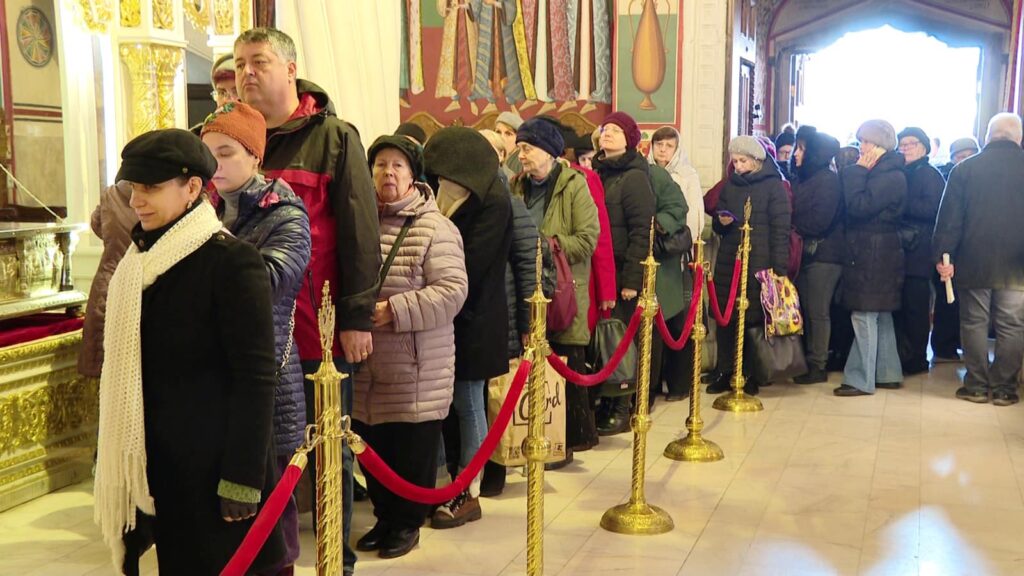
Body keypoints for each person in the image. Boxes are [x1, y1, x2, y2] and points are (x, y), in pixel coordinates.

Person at [95, 129, 284, 575]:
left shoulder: (231, 262)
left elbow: (256, 378)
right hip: (161, 468)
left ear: (193, 187)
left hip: (215, 470)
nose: (137, 201)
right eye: (133, 188)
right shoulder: (137, 264)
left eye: (151, 188)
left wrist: (242, 479)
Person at [234, 27, 380, 576]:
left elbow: (361, 232)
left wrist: (357, 317)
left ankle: (335, 559)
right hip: (251, 330)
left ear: (291, 69)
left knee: (328, 449)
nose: (247, 72)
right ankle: (267, 558)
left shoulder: (334, 137)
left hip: (318, 329)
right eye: (239, 63)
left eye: (259, 61)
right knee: (259, 447)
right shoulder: (232, 139)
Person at [200, 102, 311, 574]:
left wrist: (208, 254)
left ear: (255, 156)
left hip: (270, 383)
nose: (214, 166)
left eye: (226, 153)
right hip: (214, 383)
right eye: (207, 155)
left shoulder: (286, 216)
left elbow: (265, 285)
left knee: (271, 525)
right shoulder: (205, 212)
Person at [353, 135, 468, 558]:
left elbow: (453, 291)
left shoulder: (435, 227)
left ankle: (406, 523)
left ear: (413, 175)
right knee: (374, 445)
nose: (388, 173)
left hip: (417, 369)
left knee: (409, 450)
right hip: (368, 365)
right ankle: (386, 518)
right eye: (380, 164)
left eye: (397, 165)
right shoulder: (362, 221)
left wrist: (395, 310)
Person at [423, 127, 513, 527]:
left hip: (476, 317)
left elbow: (472, 265)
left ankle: (468, 488)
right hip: (443, 317)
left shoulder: (493, 200)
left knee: (468, 402)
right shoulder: (444, 193)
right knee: (442, 405)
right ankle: (443, 483)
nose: (441, 182)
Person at [511, 118, 599, 456]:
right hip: (526, 289)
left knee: (566, 364)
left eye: (527, 148)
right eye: (519, 148)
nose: (521, 155)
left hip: (563, 291)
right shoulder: (516, 186)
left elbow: (588, 239)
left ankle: (569, 441)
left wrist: (547, 244)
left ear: (549, 152)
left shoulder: (575, 185)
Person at [934, 113, 1024, 406]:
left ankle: (975, 385)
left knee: (974, 322)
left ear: (988, 136)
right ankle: (1004, 388)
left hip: (973, 260)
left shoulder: (965, 169)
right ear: (1018, 137)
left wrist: (943, 256)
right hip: (1018, 266)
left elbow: (949, 221)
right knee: (1012, 325)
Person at [706, 136, 791, 396]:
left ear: (757, 160)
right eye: (735, 161)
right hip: (730, 260)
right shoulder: (731, 185)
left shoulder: (774, 187)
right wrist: (721, 222)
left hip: (760, 261)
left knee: (753, 320)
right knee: (726, 318)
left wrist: (779, 270)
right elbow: (719, 220)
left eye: (743, 161)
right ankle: (725, 370)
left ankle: (750, 373)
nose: (739, 166)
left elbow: (781, 230)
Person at [591, 112, 656, 435]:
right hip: (602, 270)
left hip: (622, 271)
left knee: (621, 340)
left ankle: (621, 406)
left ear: (629, 140)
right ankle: (605, 401)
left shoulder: (634, 178)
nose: (608, 134)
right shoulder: (599, 173)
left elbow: (642, 231)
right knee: (603, 338)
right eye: (606, 129)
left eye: (616, 131)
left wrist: (632, 280)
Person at [834, 120, 906, 397]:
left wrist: (856, 172)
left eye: (867, 142)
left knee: (863, 313)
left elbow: (859, 206)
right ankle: (888, 372)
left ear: (881, 147)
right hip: (879, 250)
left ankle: (859, 379)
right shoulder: (890, 173)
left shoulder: (887, 176)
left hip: (873, 251)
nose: (861, 147)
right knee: (880, 313)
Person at [790, 127, 843, 385]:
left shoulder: (827, 180)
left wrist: (791, 225)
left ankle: (818, 363)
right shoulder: (803, 178)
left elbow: (819, 221)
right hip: (806, 254)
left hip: (824, 256)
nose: (796, 154)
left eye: (801, 148)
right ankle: (806, 360)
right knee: (807, 310)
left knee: (817, 311)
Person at [894, 127, 944, 376]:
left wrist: (899, 204)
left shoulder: (930, 174)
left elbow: (933, 209)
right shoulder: (900, 172)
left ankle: (916, 358)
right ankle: (901, 356)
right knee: (900, 308)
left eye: (910, 144)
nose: (905, 148)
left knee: (916, 308)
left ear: (924, 147)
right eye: (902, 144)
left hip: (919, 252)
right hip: (900, 251)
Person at [79, 181, 137, 379]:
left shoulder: (112, 194)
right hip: (136, 282)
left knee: (108, 368)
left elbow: (97, 224)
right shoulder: (165, 198)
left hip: (108, 279)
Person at [930, 137, 977, 363]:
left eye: (968, 155)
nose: (963, 160)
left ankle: (958, 345)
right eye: (959, 156)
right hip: (951, 251)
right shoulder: (948, 178)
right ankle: (945, 347)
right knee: (948, 302)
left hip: (968, 250)